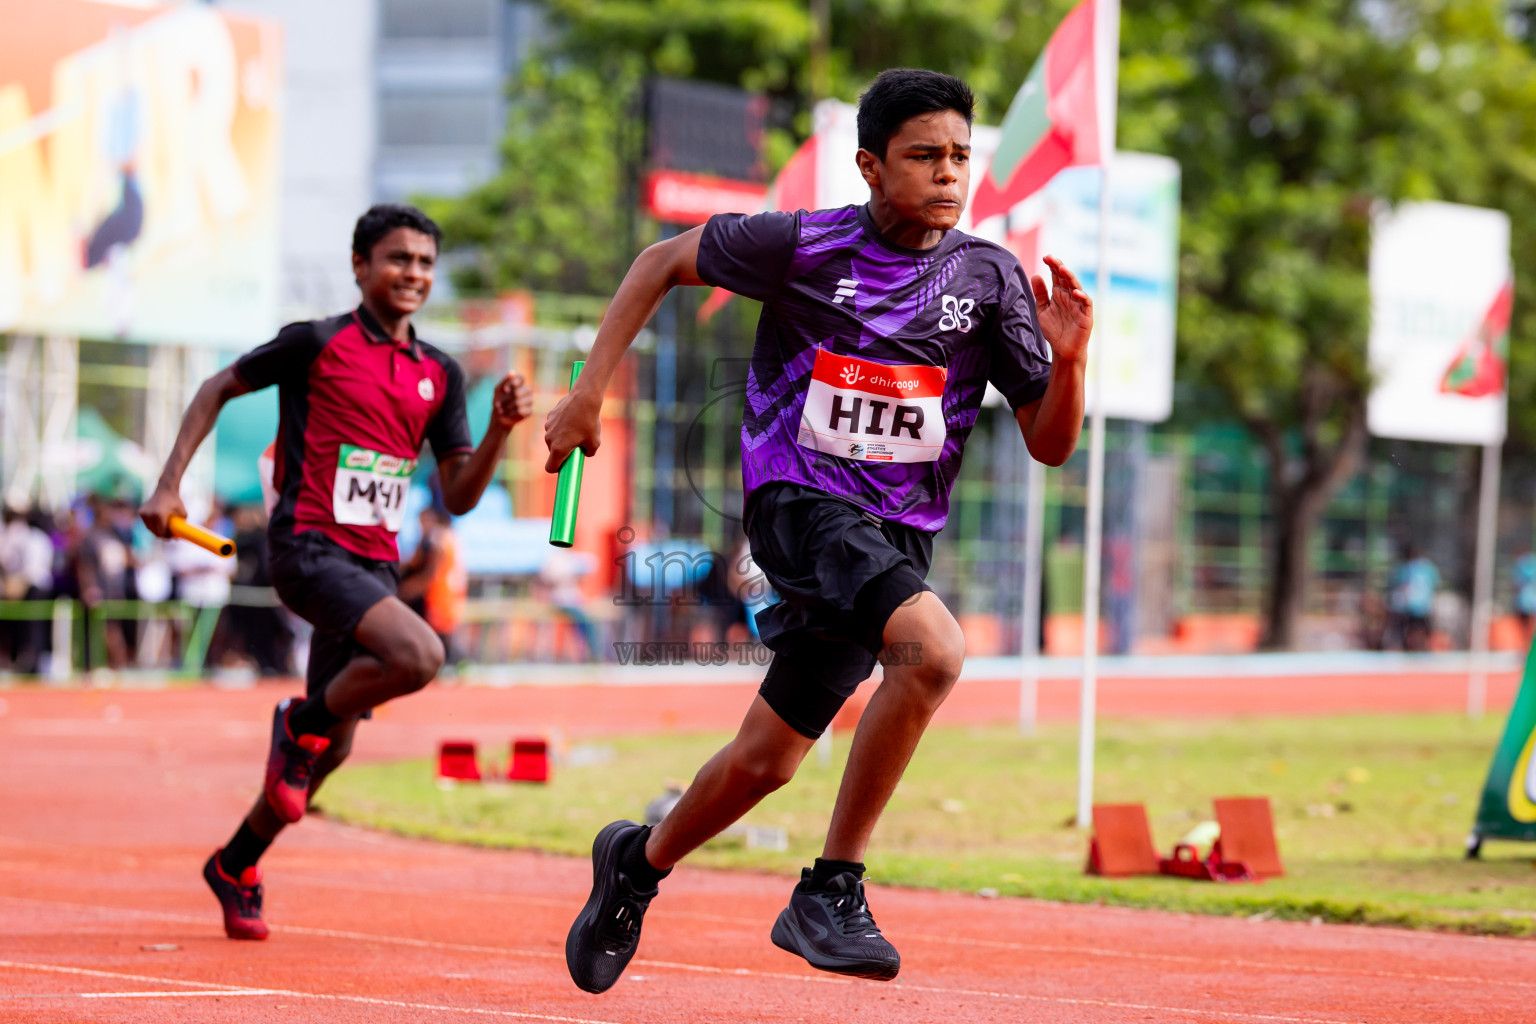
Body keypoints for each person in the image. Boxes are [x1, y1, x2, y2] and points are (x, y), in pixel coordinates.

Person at [544, 68, 1091, 992]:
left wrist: (1069, 361)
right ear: (871, 166)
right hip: (798, 506)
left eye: (961, 156)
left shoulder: (990, 278)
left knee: (767, 760)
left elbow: (1049, 444)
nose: (949, 174)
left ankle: (635, 866)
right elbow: (658, 263)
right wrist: (588, 391)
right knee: (935, 652)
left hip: (895, 532)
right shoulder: (799, 244)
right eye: (925, 156)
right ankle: (830, 890)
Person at [139, 204, 534, 941]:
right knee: (419, 656)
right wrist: (169, 487)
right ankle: (298, 724)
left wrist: (502, 432)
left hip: (373, 565)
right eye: (396, 258)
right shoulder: (316, 343)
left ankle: (237, 861)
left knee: (336, 752)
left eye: (424, 262)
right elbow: (215, 389)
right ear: (360, 266)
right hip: (307, 547)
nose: (412, 273)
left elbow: (457, 497)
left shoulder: (439, 375)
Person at [1389, 545, 1440, 652]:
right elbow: (1435, 585)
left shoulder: (1408, 568)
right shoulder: (1429, 567)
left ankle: (1406, 646)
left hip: (1411, 606)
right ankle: (1424, 646)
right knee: (1422, 629)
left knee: (1407, 629)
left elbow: (1402, 585)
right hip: (1424, 606)